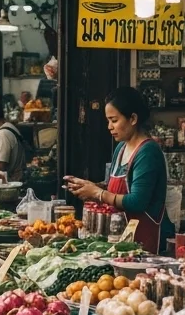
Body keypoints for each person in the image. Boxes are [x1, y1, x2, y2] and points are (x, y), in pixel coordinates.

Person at [66, 86, 175, 254]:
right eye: (108, 121)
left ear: (132, 118)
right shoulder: (121, 149)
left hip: (148, 242)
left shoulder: (147, 152)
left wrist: (97, 193)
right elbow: (113, 189)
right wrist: (90, 186)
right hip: (123, 240)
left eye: (114, 120)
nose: (109, 126)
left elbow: (137, 201)